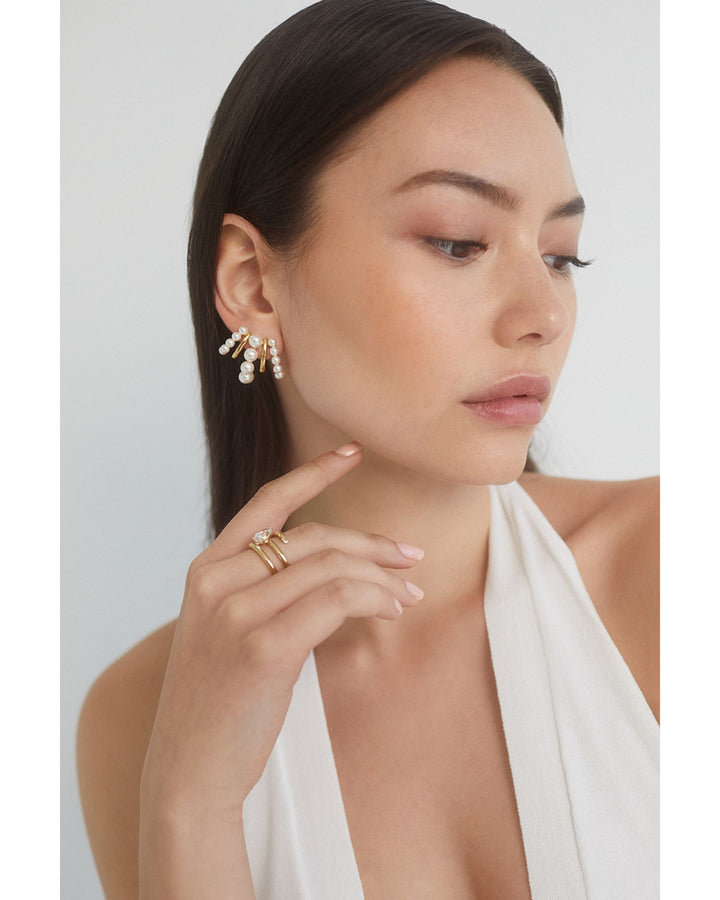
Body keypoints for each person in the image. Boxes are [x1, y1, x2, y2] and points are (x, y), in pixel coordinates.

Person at [76, 1, 659, 897]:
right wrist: (193, 804)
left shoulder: (671, 565)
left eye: (559, 255)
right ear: (253, 284)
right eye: (458, 242)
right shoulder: (144, 714)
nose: (542, 315)